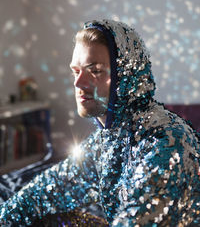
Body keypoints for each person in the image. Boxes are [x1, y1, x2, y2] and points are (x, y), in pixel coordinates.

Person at [0, 19, 200, 226]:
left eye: (95, 71)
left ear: (126, 78)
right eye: (76, 71)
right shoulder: (105, 141)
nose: (78, 83)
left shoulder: (167, 143)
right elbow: (43, 192)